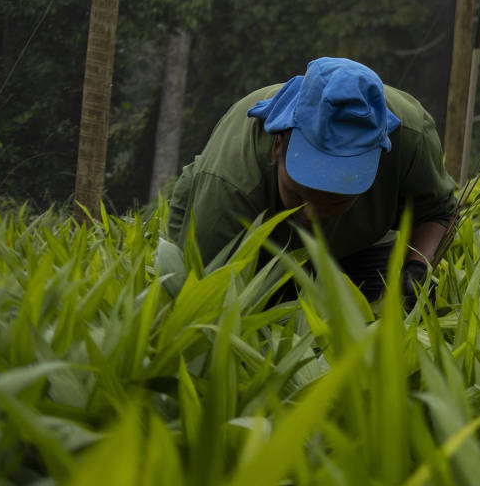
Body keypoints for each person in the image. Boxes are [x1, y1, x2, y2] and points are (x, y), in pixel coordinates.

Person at [163, 56, 459, 308]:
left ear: (378, 160)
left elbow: (438, 211)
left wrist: (416, 269)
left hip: (360, 243)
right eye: (299, 196)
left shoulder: (410, 137)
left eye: (338, 200)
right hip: (259, 244)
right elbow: (202, 299)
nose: (314, 217)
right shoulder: (231, 182)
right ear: (278, 145)